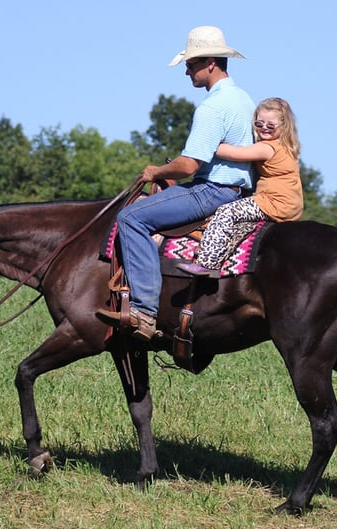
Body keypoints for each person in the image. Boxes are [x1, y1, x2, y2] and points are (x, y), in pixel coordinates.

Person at [96, 26, 255, 341]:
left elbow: (189, 164)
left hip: (212, 192)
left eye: (191, 64)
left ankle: (143, 311)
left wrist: (156, 171)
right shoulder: (244, 98)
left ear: (211, 62)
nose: (187, 71)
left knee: (130, 218)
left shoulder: (212, 107)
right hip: (238, 191)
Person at [177, 97, 303, 277]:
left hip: (273, 202)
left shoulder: (267, 148)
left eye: (270, 125)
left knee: (227, 212)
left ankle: (207, 263)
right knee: (242, 223)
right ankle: (225, 253)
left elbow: (233, 153)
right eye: (259, 123)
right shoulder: (287, 147)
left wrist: (207, 141)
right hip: (289, 204)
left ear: (284, 126)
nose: (264, 128)